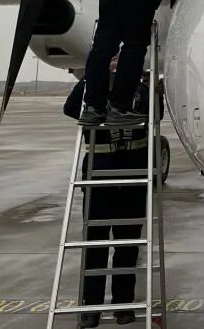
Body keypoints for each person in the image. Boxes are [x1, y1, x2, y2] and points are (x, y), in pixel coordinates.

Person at [63, 58, 155, 327]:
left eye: (121, 59)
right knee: (95, 244)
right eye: (112, 59)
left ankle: (123, 305)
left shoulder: (140, 90)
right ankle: (91, 308)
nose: (116, 64)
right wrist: (91, 78)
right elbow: (70, 108)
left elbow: (156, 114)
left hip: (133, 175)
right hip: (99, 174)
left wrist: (146, 86)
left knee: (128, 245)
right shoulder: (92, 89)